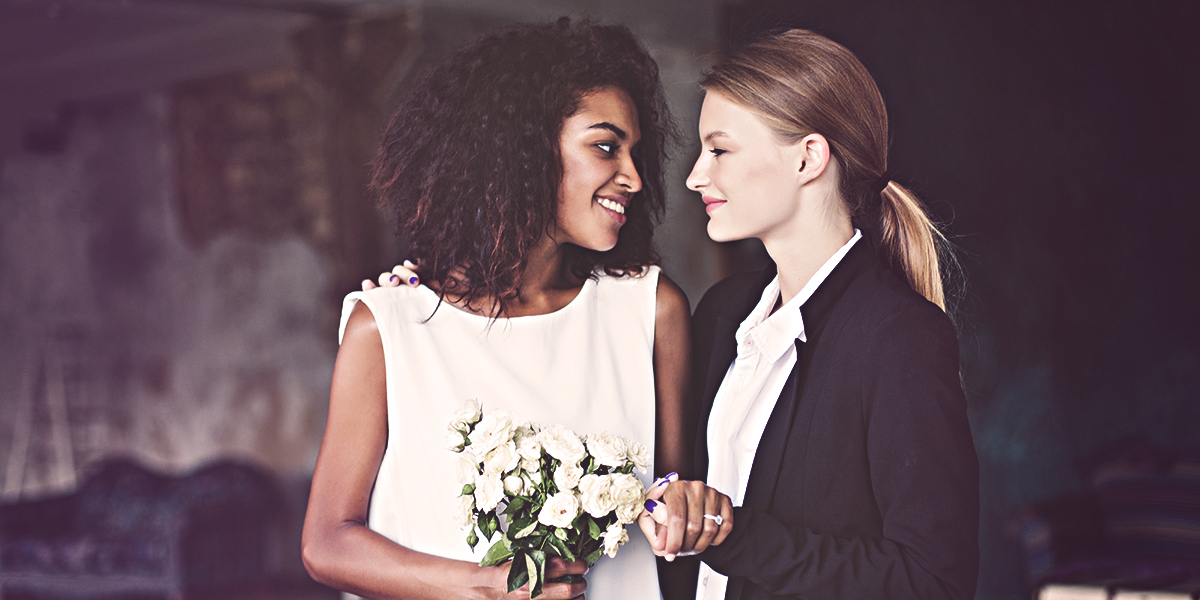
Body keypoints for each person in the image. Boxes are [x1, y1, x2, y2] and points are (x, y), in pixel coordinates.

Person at [300, 18, 712, 600]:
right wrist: (487, 588)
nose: (635, 178)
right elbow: (327, 543)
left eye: (635, 152)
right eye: (605, 146)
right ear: (523, 149)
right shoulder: (390, 327)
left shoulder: (651, 310)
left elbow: (671, 504)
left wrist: (686, 510)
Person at [643, 28, 980, 600]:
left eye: (719, 149)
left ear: (808, 158)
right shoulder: (724, 313)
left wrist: (734, 536)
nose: (696, 175)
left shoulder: (901, 338)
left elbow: (934, 583)